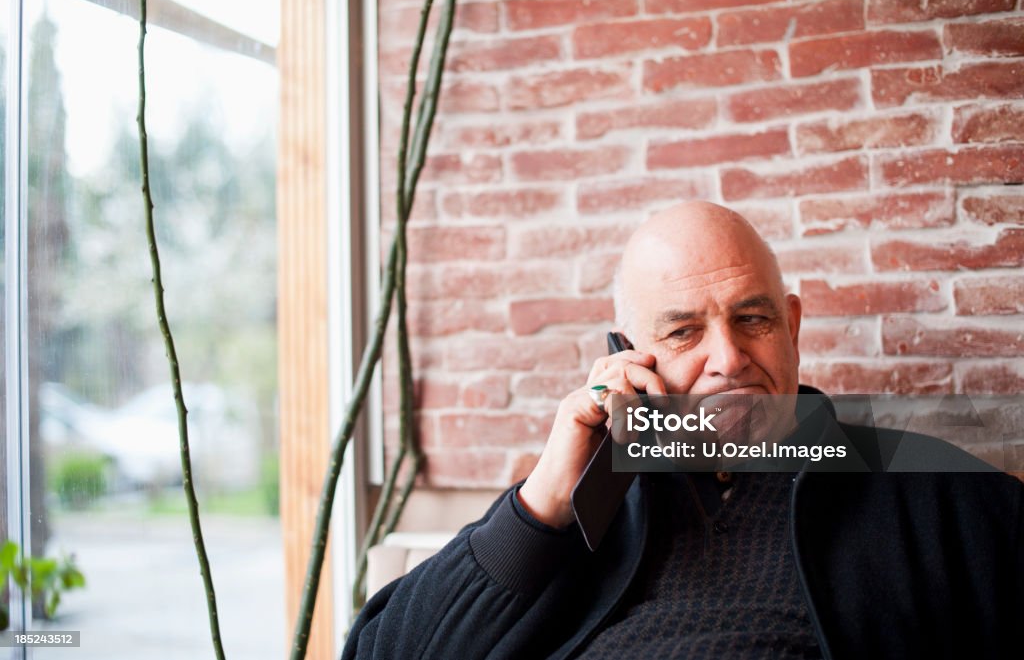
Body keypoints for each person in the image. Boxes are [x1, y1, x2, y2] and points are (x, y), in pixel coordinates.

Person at [342, 202, 1023, 659]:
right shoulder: (577, 509)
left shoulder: (924, 488)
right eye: (684, 331)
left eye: (753, 319)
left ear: (792, 326)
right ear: (626, 355)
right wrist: (542, 500)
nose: (728, 359)